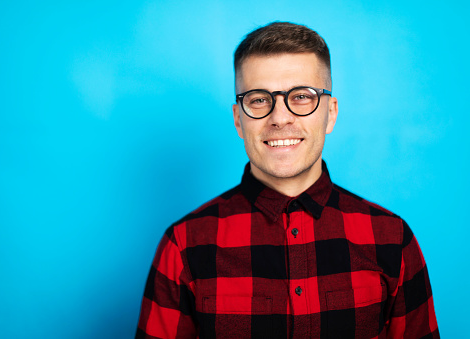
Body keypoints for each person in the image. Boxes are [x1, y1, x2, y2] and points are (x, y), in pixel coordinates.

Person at [136, 22, 439, 338]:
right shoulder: (184, 244)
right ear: (239, 119)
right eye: (258, 99)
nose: (280, 118)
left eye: (302, 97)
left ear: (331, 113)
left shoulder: (392, 238)